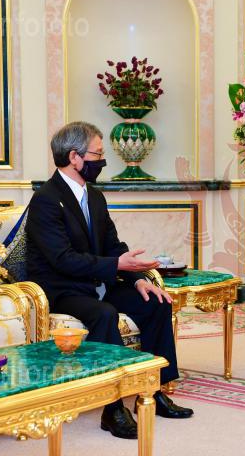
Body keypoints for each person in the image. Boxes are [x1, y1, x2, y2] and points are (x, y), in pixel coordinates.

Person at [26, 121, 194, 440]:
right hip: (62, 289)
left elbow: (113, 246)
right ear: (74, 157)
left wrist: (138, 278)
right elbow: (62, 259)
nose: (102, 161)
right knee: (104, 314)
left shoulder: (95, 196)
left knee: (155, 302)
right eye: (97, 154)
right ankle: (112, 407)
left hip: (97, 282)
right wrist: (116, 264)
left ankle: (154, 391)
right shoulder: (45, 199)